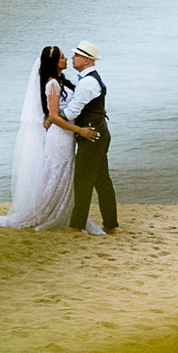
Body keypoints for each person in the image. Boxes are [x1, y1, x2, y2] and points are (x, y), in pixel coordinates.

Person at [0, 46, 105, 233]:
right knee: (57, 172)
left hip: (66, 135)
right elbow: (54, 117)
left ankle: (64, 212)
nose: (66, 59)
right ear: (54, 62)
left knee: (64, 173)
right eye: (62, 57)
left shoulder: (61, 82)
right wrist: (79, 130)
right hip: (60, 136)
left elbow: (60, 112)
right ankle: (49, 212)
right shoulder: (52, 84)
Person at [62, 41, 118, 234]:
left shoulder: (87, 82)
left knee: (83, 179)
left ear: (85, 60)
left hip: (92, 134)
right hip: (99, 132)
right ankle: (111, 223)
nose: (72, 58)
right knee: (101, 180)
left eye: (76, 55)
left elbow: (71, 112)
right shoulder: (91, 79)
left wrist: (52, 117)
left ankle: (76, 225)